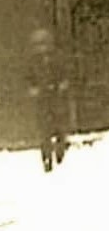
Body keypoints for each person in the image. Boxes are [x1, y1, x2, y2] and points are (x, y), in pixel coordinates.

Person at [24, 26, 72, 172]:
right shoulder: (32, 62)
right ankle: (46, 156)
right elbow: (28, 78)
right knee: (44, 128)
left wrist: (63, 83)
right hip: (42, 97)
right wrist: (33, 88)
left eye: (44, 44)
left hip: (56, 95)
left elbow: (64, 72)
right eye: (38, 44)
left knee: (59, 123)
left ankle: (60, 148)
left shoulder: (57, 58)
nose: (42, 48)